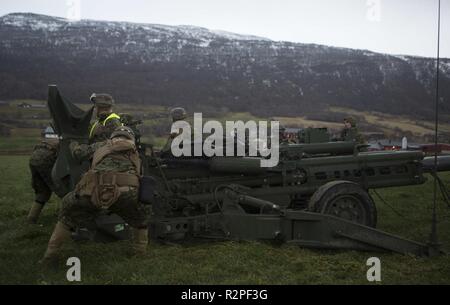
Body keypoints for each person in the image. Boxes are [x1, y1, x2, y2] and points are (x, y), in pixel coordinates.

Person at [40, 126, 150, 264]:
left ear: (113, 136)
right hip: (125, 193)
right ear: (131, 139)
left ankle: (50, 255)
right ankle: (139, 253)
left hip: (93, 192)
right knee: (141, 218)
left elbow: (78, 153)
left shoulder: (101, 145)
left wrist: (74, 144)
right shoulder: (136, 152)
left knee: (67, 217)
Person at [27, 126, 59, 224]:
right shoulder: (69, 142)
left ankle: (31, 218)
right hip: (46, 158)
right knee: (62, 190)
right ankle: (66, 219)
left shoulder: (55, 139)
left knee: (42, 191)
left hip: (34, 158)